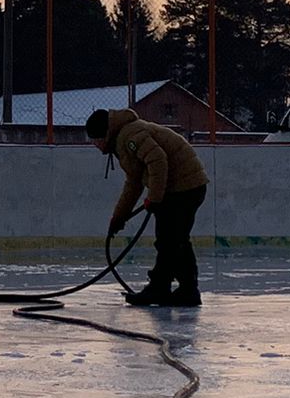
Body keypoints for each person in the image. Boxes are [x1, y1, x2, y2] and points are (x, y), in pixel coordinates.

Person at [85, 108, 208, 307]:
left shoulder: (129, 136)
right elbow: (134, 183)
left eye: (95, 140)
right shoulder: (123, 140)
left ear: (105, 134)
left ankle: (167, 288)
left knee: (171, 239)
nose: (95, 145)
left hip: (184, 186)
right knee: (173, 239)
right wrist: (119, 217)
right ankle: (183, 289)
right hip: (182, 186)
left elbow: (158, 160)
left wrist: (155, 198)